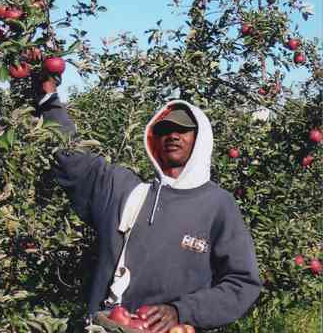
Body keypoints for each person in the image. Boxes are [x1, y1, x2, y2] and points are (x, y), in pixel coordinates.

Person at [39, 77, 261, 332]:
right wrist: (49, 97)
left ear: (200, 139)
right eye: (164, 130)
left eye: (183, 129)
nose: (173, 136)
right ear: (154, 138)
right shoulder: (124, 190)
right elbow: (71, 158)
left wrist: (181, 311)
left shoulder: (218, 205)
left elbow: (242, 283)